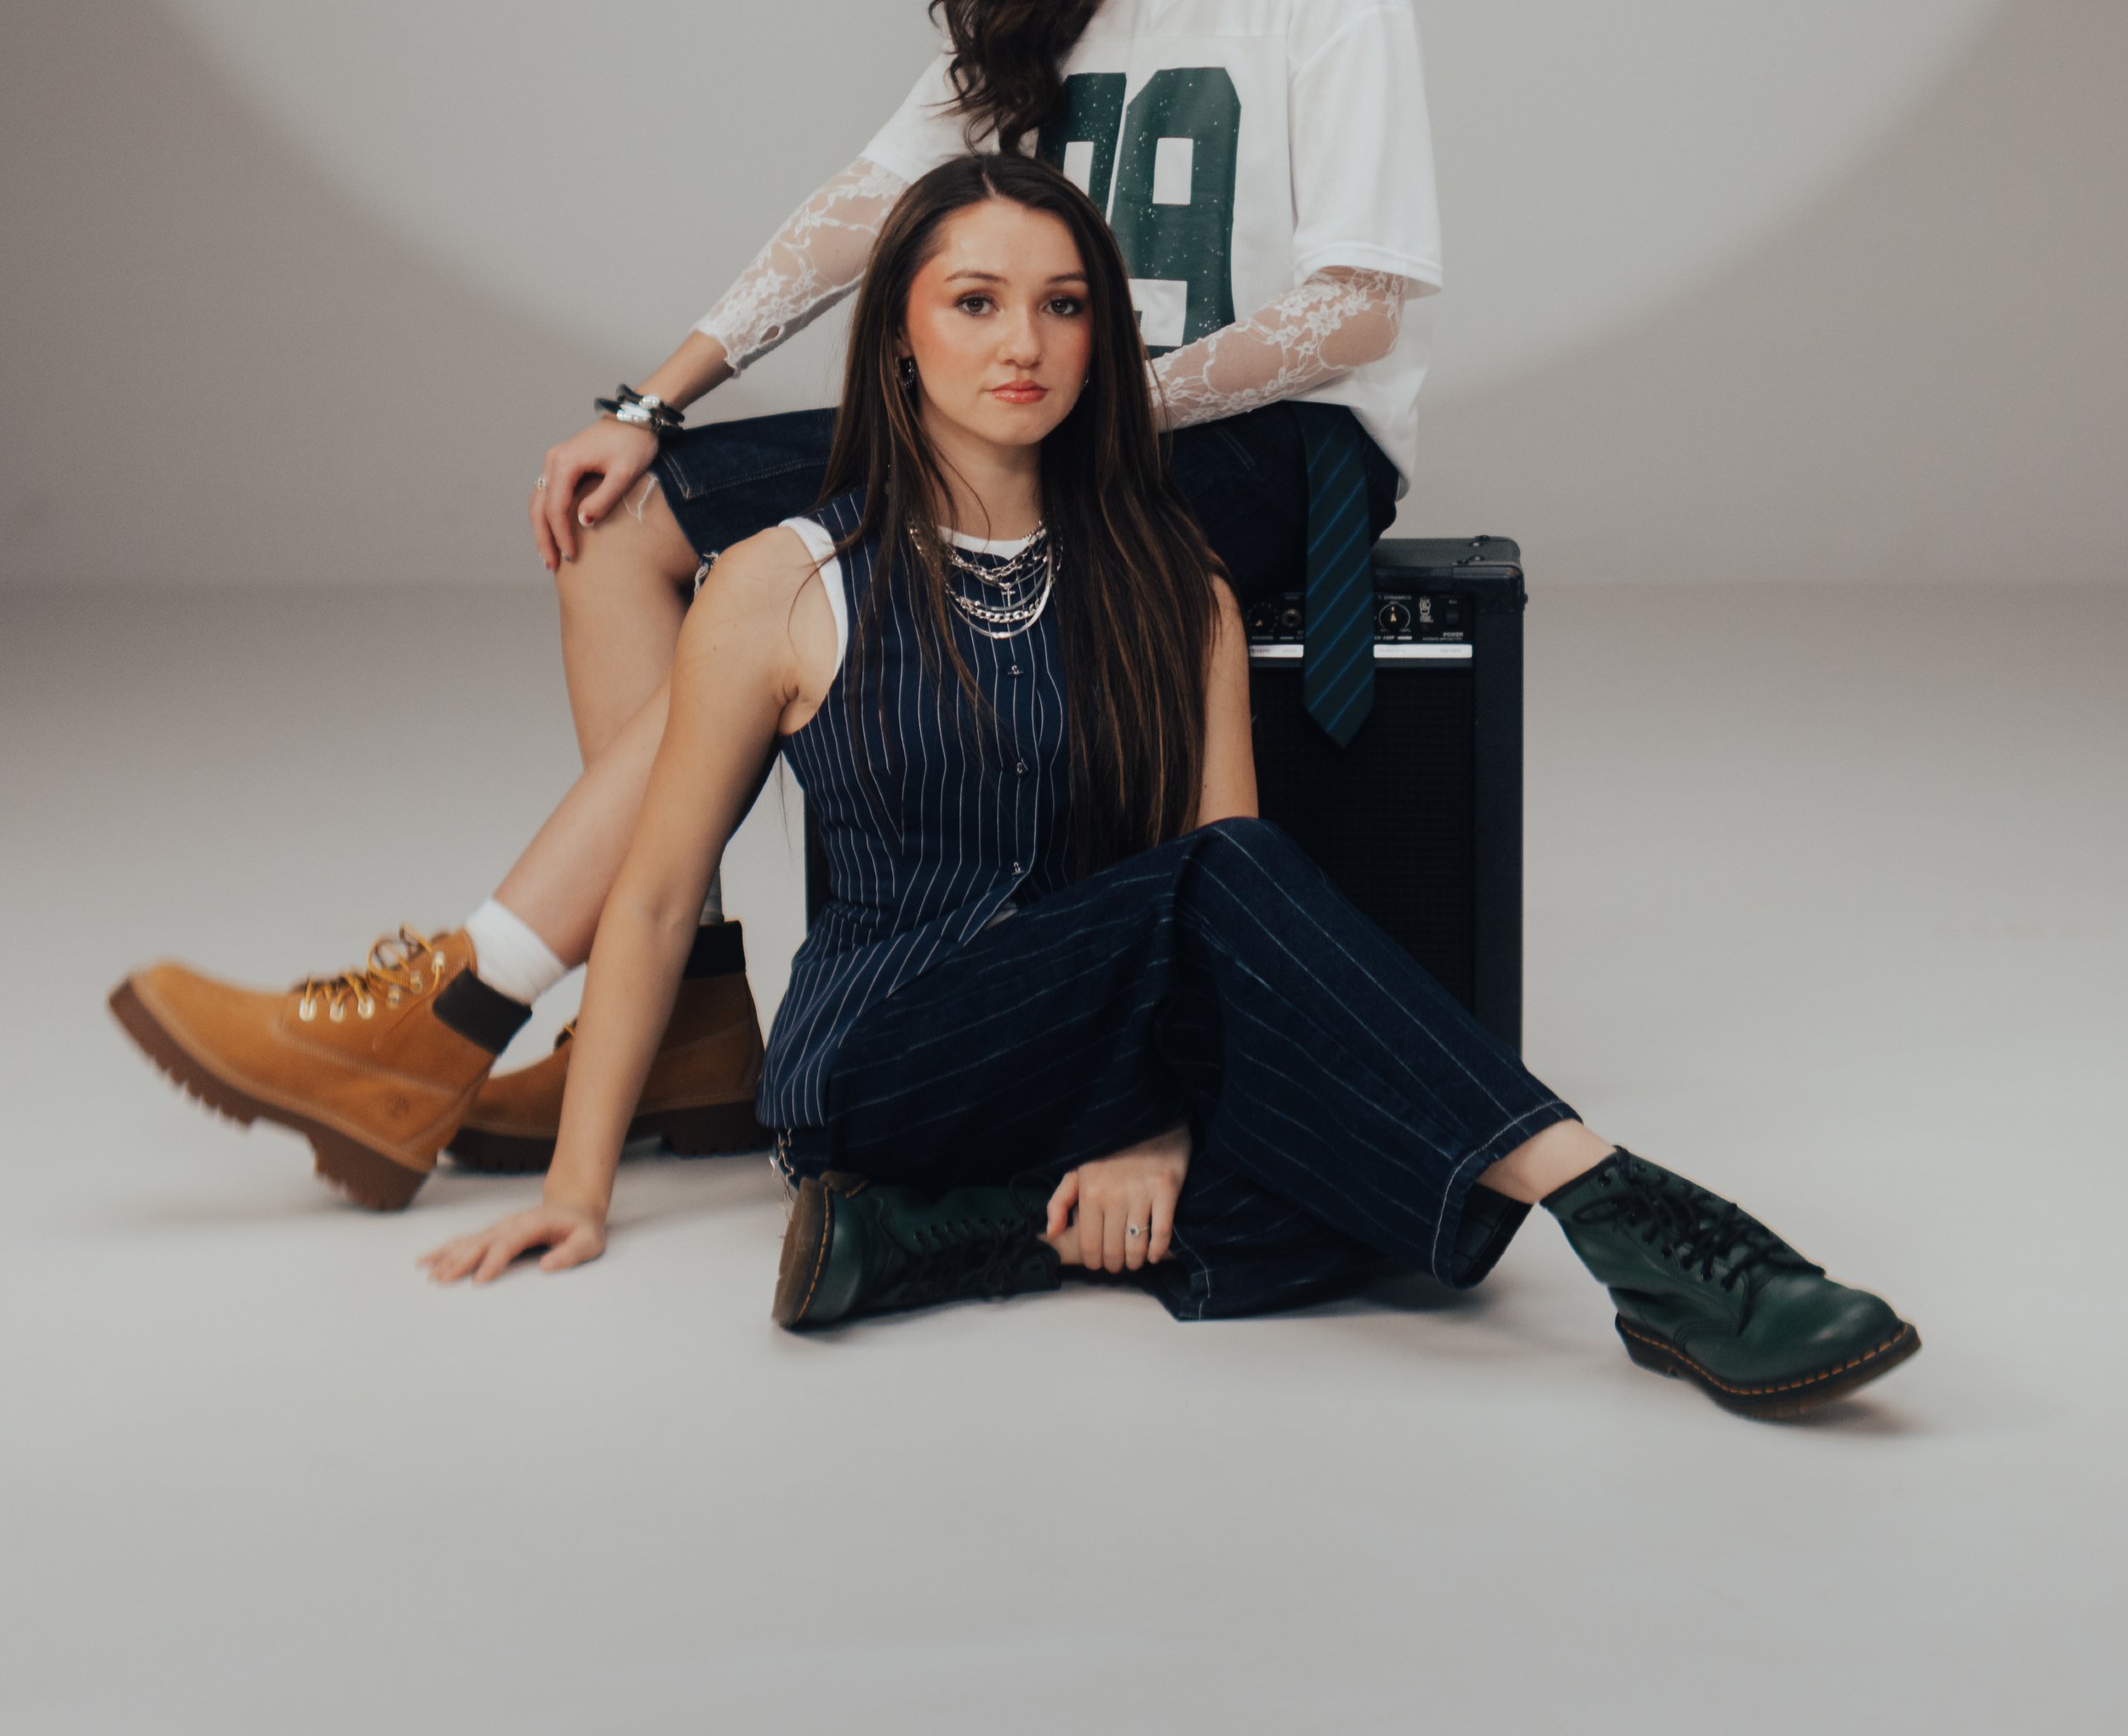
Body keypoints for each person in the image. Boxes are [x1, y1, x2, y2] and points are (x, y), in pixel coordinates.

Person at [112, 0, 1444, 1202]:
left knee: (819, 573)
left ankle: (453, 1006)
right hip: (1038, 418)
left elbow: (1360, 301)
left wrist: (1107, 405)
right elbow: (872, 200)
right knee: (624, 521)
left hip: (1260, 448)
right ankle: (682, 1010)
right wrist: (653, 399)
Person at [415, 154, 1919, 1420]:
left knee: (1384, 1182)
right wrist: (578, 1188)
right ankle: (1640, 1217)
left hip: (1089, 1060)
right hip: (885, 1063)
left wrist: (1156, 1134)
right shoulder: (782, 582)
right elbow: (659, 894)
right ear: (899, 341)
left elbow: (1217, 906)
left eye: (1065, 305)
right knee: (1266, 931)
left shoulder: (1176, 580)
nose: (1024, 341)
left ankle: (972, 1236)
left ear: (1103, 341)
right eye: (976, 302)